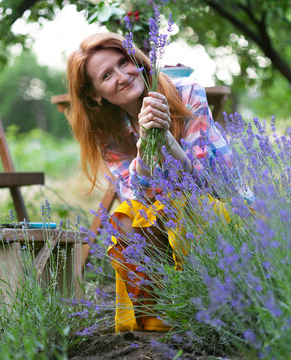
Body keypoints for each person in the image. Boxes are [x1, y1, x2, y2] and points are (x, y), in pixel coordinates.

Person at [66, 32, 252, 333]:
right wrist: (144, 152)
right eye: (106, 75)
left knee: (184, 206)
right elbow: (135, 198)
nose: (123, 76)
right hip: (168, 217)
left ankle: (220, 309)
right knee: (126, 220)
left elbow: (223, 184)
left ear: (135, 60)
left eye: (123, 62)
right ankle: (158, 320)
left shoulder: (185, 91)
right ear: (95, 95)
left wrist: (170, 145)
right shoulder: (108, 133)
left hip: (228, 215)